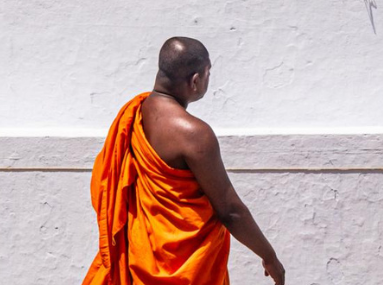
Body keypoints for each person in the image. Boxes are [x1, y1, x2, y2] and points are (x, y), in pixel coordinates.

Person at [83, 38, 285, 285]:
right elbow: (230, 211)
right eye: (208, 74)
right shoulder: (194, 134)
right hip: (188, 268)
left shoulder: (135, 113)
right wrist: (269, 256)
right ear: (196, 80)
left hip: (141, 261)